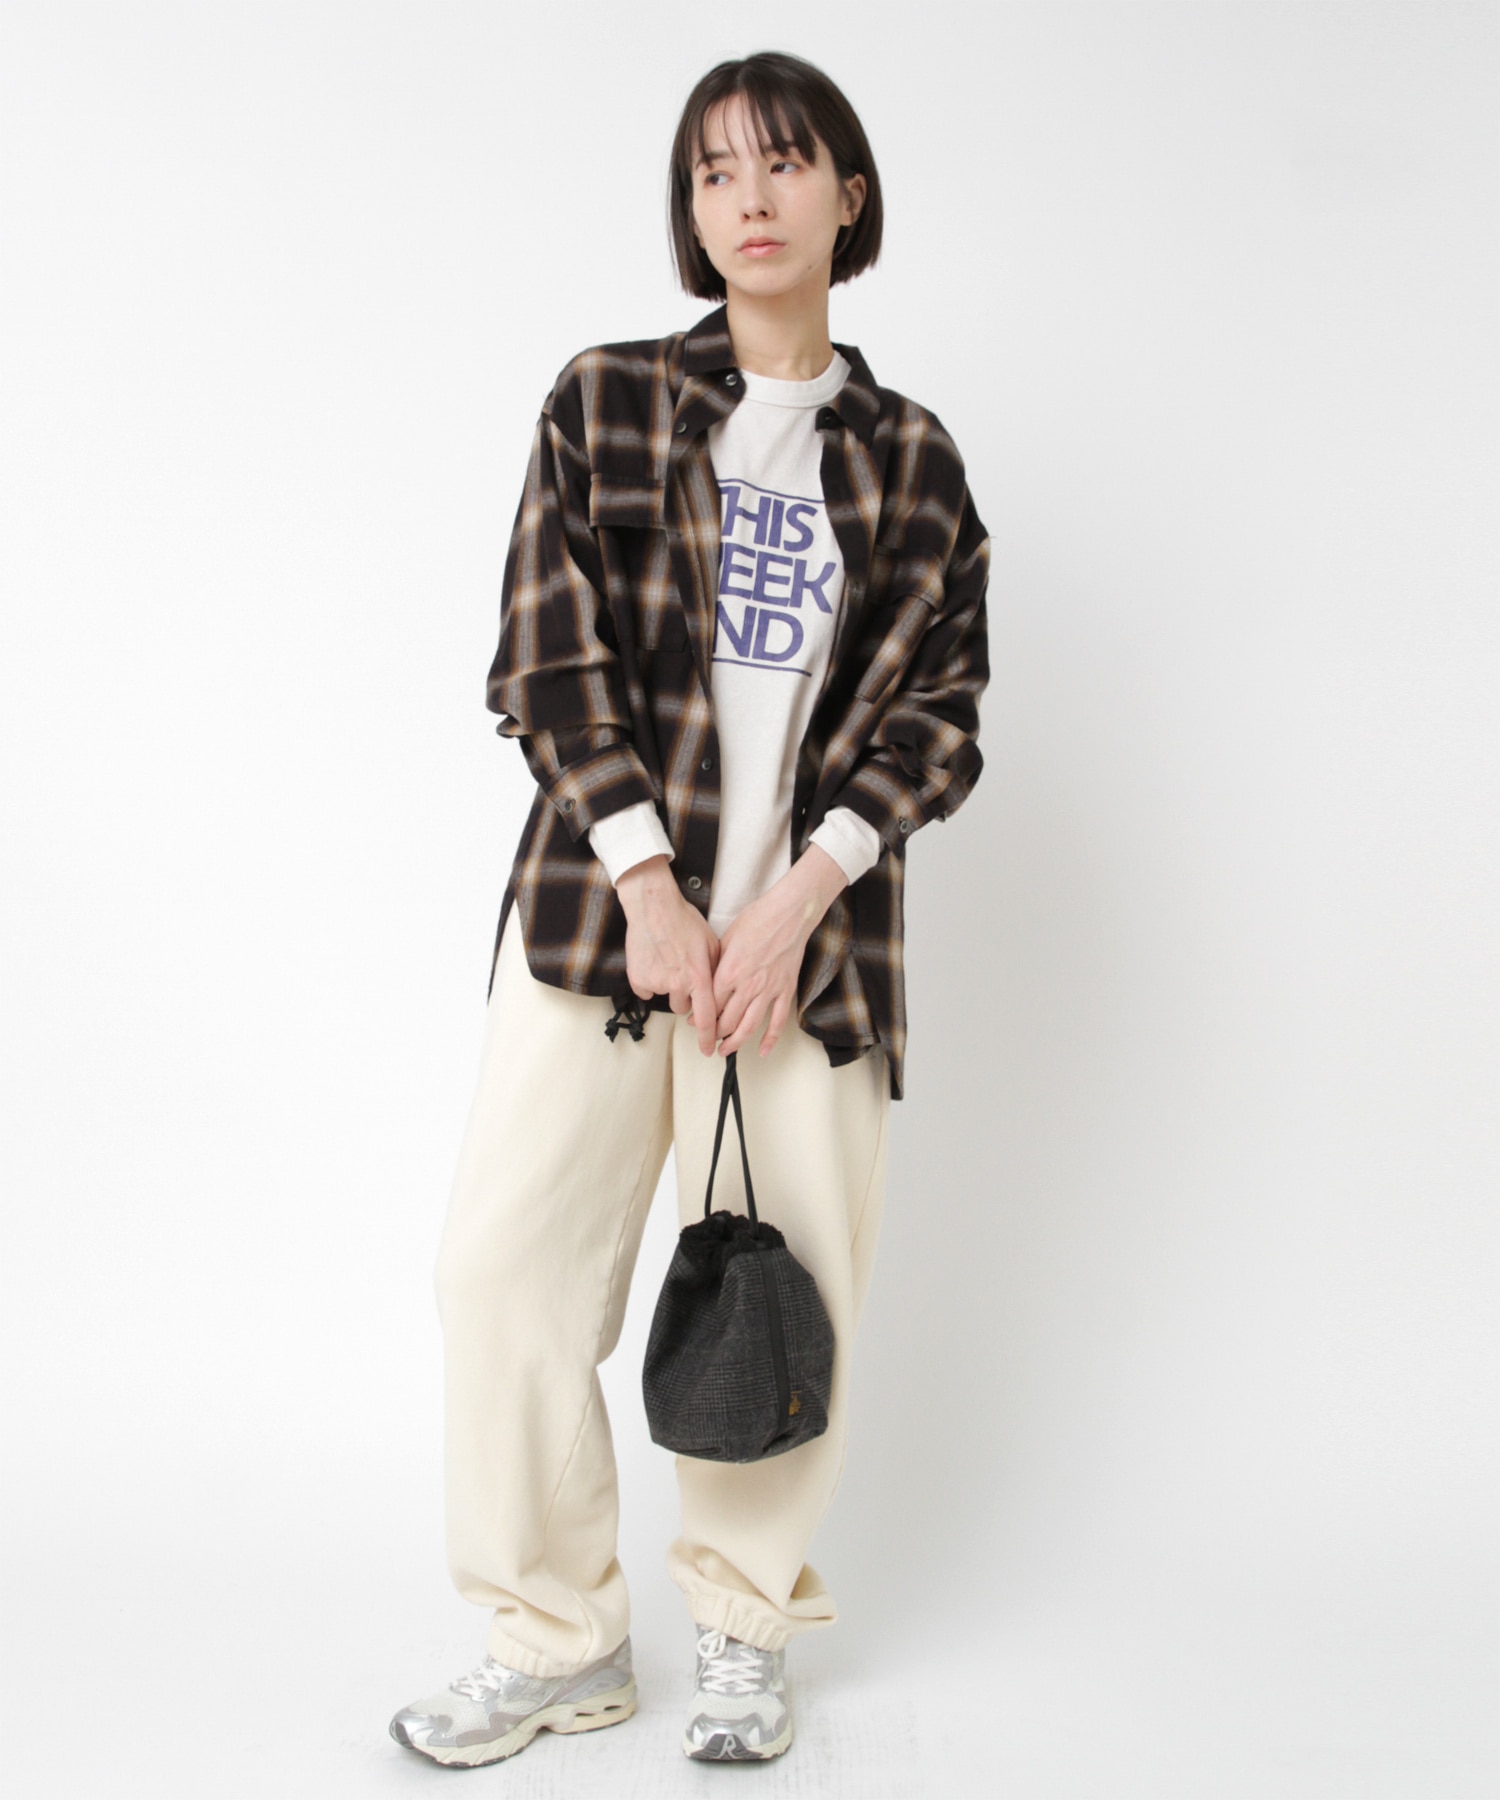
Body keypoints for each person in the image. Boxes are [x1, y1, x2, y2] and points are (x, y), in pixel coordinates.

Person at [389, 48, 991, 1769]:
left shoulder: (912, 459)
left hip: (807, 963)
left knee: (778, 1292)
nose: (749, 197)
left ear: (847, 196)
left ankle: (742, 1625)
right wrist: (654, 887)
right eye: (715, 171)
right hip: (603, 937)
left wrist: (796, 899)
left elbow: (941, 715)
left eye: (783, 162)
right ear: (690, 210)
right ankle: (555, 1638)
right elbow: (545, 658)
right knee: (503, 1273)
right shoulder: (606, 403)